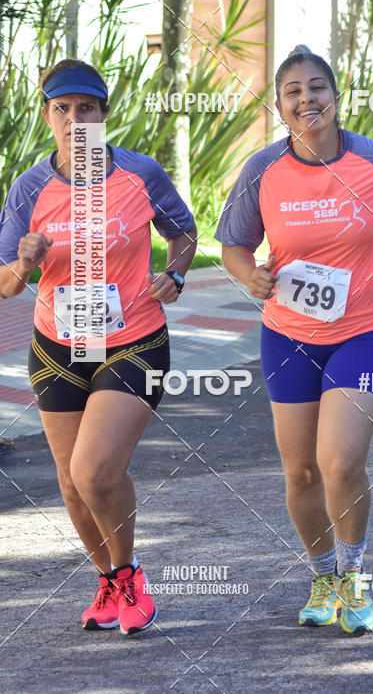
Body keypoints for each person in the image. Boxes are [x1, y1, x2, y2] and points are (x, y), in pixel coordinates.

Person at [215, 44, 373, 635]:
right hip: (288, 335)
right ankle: (321, 575)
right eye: (293, 91)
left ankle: (353, 575)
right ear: (280, 107)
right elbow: (232, 246)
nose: (306, 99)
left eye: (317, 87)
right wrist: (250, 275)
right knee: (301, 474)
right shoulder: (262, 170)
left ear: (335, 97)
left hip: (367, 329)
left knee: (339, 461)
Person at [0, 59, 197, 635]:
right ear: (47, 116)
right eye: (62, 109)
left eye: (86, 108)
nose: (74, 119)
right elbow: (5, 283)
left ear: (104, 115)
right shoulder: (29, 188)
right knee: (69, 479)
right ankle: (110, 582)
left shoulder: (140, 174)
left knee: (95, 468)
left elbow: (183, 233)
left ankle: (130, 573)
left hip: (133, 339)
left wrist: (176, 274)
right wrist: (25, 262)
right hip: (57, 344)